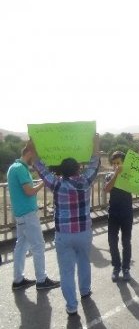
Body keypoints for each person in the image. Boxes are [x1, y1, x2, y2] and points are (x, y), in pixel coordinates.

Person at [32, 135, 101, 316]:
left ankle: (71, 306)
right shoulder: (86, 182)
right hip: (84, 232)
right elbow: (95, 162)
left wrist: (33, 148)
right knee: (84, 262)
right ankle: (85, 291)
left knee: (66, 271)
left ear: (62, 171)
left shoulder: (56, 184)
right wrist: (95, 144)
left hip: (64, 234)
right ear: (78, 169)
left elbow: (39, 167)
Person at [7, 143, 60, 291]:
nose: (35, 159)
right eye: (35, 155)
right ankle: (42, 280)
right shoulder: (20, 169)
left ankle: (18, 280)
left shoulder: (14, 168)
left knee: (21, 246)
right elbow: (29, 192)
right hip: (28, 214)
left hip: (20, 214)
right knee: (38, 245)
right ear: (29, 152)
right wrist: (43, 182)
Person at [104, 151, 133, 282]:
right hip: (113, 213)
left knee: (126, 242)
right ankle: (116, 267)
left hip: (127, 213)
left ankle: (126, 268)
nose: (116, 165)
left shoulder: (130, 176)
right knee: (112, 242)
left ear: (124, 163)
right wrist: (116, 174)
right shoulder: (109, 175)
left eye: (119, 163)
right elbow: (107, 188)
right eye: (114, 163)